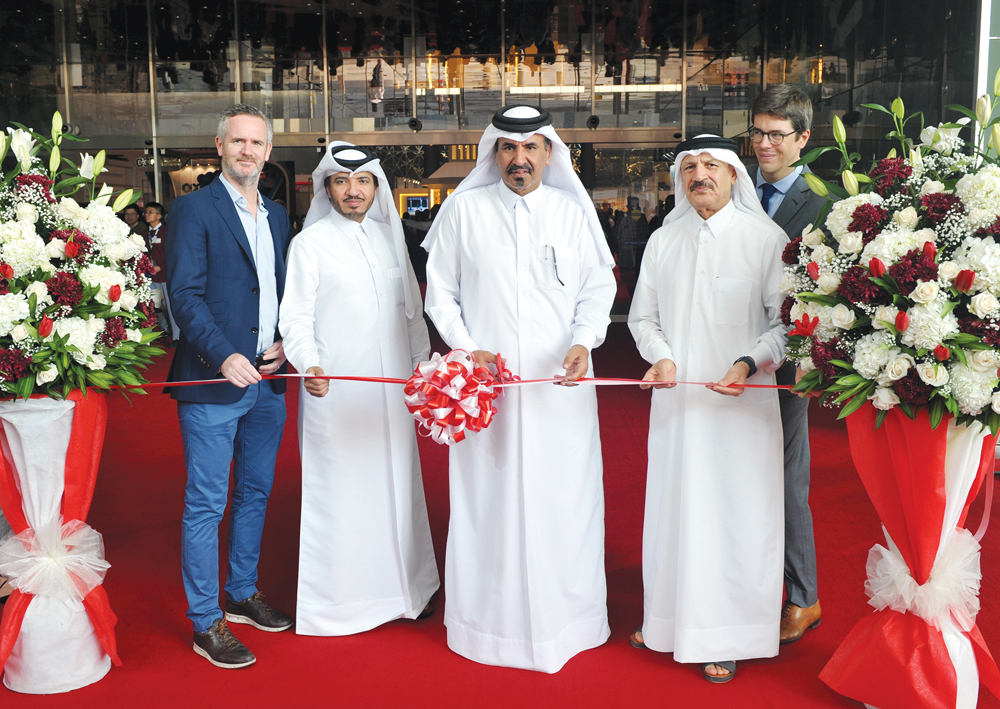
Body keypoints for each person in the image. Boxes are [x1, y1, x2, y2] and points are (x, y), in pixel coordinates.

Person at [422, 105, 617, 673]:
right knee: (489, 500)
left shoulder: (571, 213)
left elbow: (596, 289)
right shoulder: (463, 211)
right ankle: (489, 628)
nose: (520, 158)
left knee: (565, 501)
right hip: (487, 392)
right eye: (509, 148)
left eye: (531, 148)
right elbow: (441, 294)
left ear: (549, 154)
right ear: (493, 153)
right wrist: (465, 347)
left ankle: (569, 623)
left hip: (563, 386)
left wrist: (585, 341)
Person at [627, 135, 788, 683]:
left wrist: (748, 362)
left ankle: (729, 635)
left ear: (734, 175)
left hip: (740, 413)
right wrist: (663, 357)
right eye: (690, 166)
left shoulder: (766, 239)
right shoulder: (662, 242)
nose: (700, 175)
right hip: (676, 409)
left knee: (733, 519)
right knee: (674, 513)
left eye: (712, 166)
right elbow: (641, 320)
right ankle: (668, 623)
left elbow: (786, 325)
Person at [279, 143, 439, 636]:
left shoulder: (391, 241)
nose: (354, 191)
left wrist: (422, 372)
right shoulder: (310, 244)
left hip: (393, 396)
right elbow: (296, 319)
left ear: (376, 187)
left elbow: (412, 314)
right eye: (343, 182)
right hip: (337, 394)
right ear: (327, 188)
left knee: (397, 489)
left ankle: (409, 591)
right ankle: (342, 605)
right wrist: (310, 365)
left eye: (364, 181)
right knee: (345, 495)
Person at [165, 103, 293, 670]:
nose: (247, 150)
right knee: (206, 504)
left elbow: (284, 293)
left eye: (256, 143)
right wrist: (223, 356)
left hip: (269, 380)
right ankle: (204, 621)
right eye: (237, 141)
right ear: (219, 147)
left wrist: (289, 340)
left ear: (268, 152)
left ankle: (242, 592)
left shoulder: (280, 215)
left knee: (256, 492)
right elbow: (185, 295)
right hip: (214, 380)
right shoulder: (192, 210)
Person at [750, 84, 826, 643]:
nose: (763, 144)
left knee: (784, 479)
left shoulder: (823, 203)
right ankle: (745, 588)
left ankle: (804, 597)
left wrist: (806, 359)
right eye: (757, 132)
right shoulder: (737, 189)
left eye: (777, 135)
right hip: (731, 355)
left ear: (803, 138)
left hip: (787, 364)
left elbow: (828, 292)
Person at [142, 201, 178, 341]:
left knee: (170, 308)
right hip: (150, 276)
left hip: (165, 276)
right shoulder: (144, 234)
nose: (147, 215)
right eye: (146, 212)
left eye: (150, 212)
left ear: (159, 216)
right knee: (151, 307)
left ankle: (177, 337)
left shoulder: (167, 232)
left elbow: (173, 254)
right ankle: (149, 339)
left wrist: (160, 267)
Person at [614, 196, 650, 296]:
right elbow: (618, 235)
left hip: (639, 250)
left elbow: (645, 233)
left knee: (638, 276)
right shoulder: (624, 219)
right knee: (629, 277)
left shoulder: (640, 218)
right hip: (627, 251)